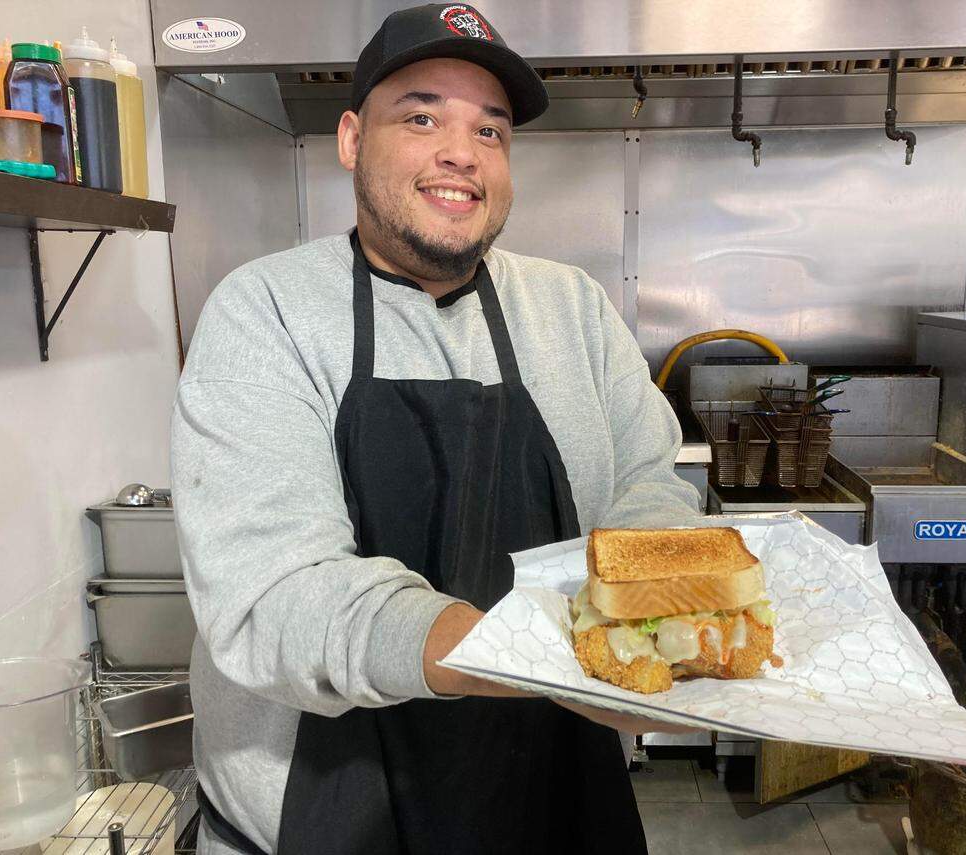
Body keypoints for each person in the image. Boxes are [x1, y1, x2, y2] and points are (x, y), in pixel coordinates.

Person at [170, 4, 702, 853]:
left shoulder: (571, 307)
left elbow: (650, 486)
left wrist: (652, 622)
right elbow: (273, 593)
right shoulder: (265, 310)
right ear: (350, 139)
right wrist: (535, 652)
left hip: (551, 794)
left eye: (490, 131)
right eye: (421, 117)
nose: (462, 151)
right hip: (324, 806)